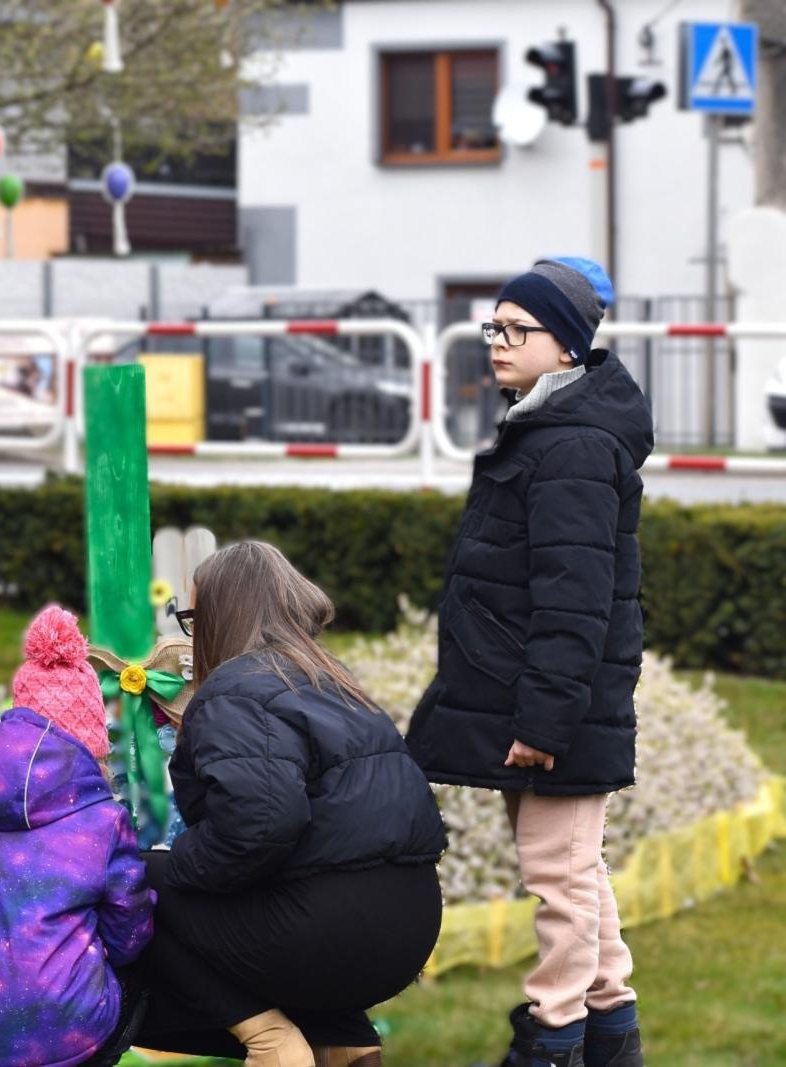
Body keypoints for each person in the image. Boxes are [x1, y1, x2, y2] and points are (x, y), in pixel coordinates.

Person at [407, 258, 651, 1067]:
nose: (499, 343)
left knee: (561, 879)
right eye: (495, 326)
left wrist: (543, 721)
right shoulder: (548, 427)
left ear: (569, 347)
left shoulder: (575, 444)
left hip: (560, 716)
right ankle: (611, 1033)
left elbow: (574, 603)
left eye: (520, 329)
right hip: (544, 707)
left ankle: (554, 1039)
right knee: (575, 872)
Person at [134, 541, 446, 1067]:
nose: (193, 635)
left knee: (135, 878)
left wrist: (178, 861)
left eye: (192, 618)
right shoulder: (331, 678)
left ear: (219, 616)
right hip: (410, 923)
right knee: (262, 895)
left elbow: (259, 824)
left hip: (335, 932)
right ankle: (345, 1043)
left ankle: (270, 1043)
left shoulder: (236, 689)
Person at [0, 605, 154, 1067]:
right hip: (65, 1035)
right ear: (92, 745)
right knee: (137, 981)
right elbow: (130, 934)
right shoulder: (102, 822)